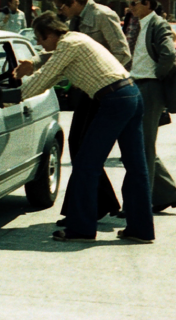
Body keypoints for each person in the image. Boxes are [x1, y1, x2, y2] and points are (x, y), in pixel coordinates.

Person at [14, 13, 154, 244]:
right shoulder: (76, 38)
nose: (39, 44)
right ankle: (141, 229)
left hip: (113, 101)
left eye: (40, 39)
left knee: (86, 165)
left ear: (50, 34)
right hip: (131, 94)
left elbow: (43, 80)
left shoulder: (68, 46)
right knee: (136, 166)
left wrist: (10, 97)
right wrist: (36, 61)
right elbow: (53, 58)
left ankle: (81, 229)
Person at [45, 0, 131, 222]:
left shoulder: (103, 16)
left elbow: (123, 54)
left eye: (61, 8)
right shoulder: (76, 21)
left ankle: (84, 210)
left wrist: (102, 81)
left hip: (104, 92)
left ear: (72, 1)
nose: (61, 13)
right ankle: (101, 202)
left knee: (86, 149)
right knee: (78, 146)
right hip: (85, 92)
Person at [126, 0, 176, 212]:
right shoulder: (136, 24)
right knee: (139, 145)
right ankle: (165, 194)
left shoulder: (157, 24)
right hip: (135, 85)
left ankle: (140, 202)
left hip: (149, 89)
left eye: (133, 3)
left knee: (142, 147)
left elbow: (168, 55)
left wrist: (155, 79)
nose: (129, 7)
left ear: (147, 4)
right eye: (128, 3)